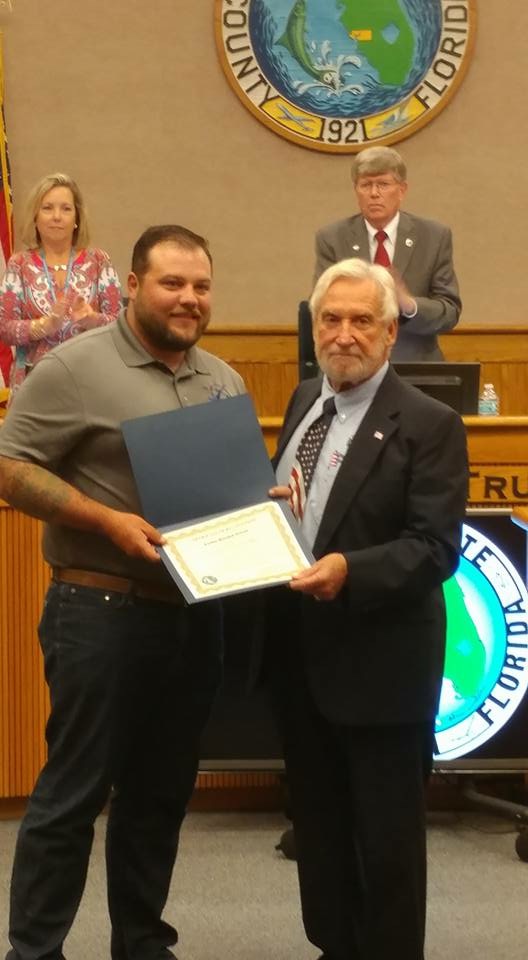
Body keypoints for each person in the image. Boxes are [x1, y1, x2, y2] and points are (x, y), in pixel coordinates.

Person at [0, 224, 245, 960]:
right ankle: (34, 950)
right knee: (73, 792)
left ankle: (141, 942)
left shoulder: (223, 380)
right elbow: (9, 466)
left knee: (161, 794)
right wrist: (105, 520)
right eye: (172, 283)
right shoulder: (74, 368)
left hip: (193, 617)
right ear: (132, 285)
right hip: (98, 608)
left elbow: (229, 499)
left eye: (200, 286)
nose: (188, 299)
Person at [267, 258, 468, 959]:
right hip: (302, 667)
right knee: (318, 836)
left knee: (385, 850)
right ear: (314, 326)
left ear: (389, 333)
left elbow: (434, 548)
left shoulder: (430, 423)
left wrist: (351, 570)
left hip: (383, 673)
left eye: (361, 321)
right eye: (331, 318)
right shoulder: (301, 402)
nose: (344, 334)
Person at [313, 145, 461, 360]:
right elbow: (321, 306)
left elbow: (449, 312)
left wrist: (409, 304)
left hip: (416, 369)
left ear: (402, 190)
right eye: (366, 185)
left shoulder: (433, 236)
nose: (374, 193)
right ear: (356, 190)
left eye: (383, 184)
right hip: (353, 363)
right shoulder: (333, 238)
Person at [0, 171, 122, 396]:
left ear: (77, 219)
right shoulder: (19, 264)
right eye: (47, 208)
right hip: (34, 385)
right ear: (35, 217)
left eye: (66, 209)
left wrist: (91, 319)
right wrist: (46, 325)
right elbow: (4, 328)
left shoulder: (99, 261)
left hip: (90, 382)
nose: (57, 216)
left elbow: (121, 325)